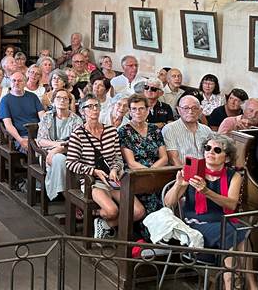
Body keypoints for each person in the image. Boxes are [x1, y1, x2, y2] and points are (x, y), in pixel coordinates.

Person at [163, 134, 251, 289]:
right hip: (196, 222)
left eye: (217, 150)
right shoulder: (193, 171)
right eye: (207, 148)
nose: (211, 152)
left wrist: (206, 191)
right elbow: (169, 202)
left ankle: (235, 282)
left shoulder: (234, 176)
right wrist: (178, 185)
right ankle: (237, 283)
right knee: (235, 233)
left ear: (227, 158)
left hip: (222, 221)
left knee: (238, 231)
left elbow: (231, 205)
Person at [66, 98, 145, 239]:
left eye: (96, 106)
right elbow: (70, 163)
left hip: (113, 179)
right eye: (89, 106)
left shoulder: (111, 131)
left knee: (138, 211)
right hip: (92, 181)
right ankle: (97, 216)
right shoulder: (77, 134)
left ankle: (105, 225)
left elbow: (117, 158)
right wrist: (93, 171)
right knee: (112, 210)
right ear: (82, 111)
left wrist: (115, 169)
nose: (94, 109)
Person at [119, 94, 168, 212]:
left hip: (156, 172)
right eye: (134, 109)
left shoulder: (155, 130)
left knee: (168, 195)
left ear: (147, 110)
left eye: (141, 108)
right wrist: (148, 174)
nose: (138, 112)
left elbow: (164, 158)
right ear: (129, 112)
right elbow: (131, 163)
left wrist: (152, 172)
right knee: (150, 196)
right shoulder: (124, 131)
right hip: (136, 175)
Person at [36, 88, 83, 201]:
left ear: (69, 101)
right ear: (53, 101)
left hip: (71, 152)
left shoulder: (76, 119)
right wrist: (57, 145)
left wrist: (58, 149)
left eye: (65, 98)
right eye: (58, 98)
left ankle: (65, 194)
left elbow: (77, 142)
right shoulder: (47, 117)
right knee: (60, 160)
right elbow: (40, 140)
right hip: (47, 153)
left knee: (62, 159)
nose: (62, 100)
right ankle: (69, 199)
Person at [0, 71, 44, 152]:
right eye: (14, 80)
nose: (16, 83)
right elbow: (8, 125)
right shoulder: (5, 100)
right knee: (37, 153)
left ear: (25, 83)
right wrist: (20, 140)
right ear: (10, 82)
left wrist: (45, 135)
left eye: (20, 81)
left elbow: (43, 118)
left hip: (40, 134)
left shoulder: (33, 97)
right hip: (21, 136)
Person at [162, 95, 213, 166]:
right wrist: (186, 174)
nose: (190, 111)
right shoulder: (170, 129)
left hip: (205, 171)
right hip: (181, 172)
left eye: (195, 108)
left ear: (200, 111)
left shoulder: (206, 130)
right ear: (179, 110)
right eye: (186, 108)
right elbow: (173, 158)